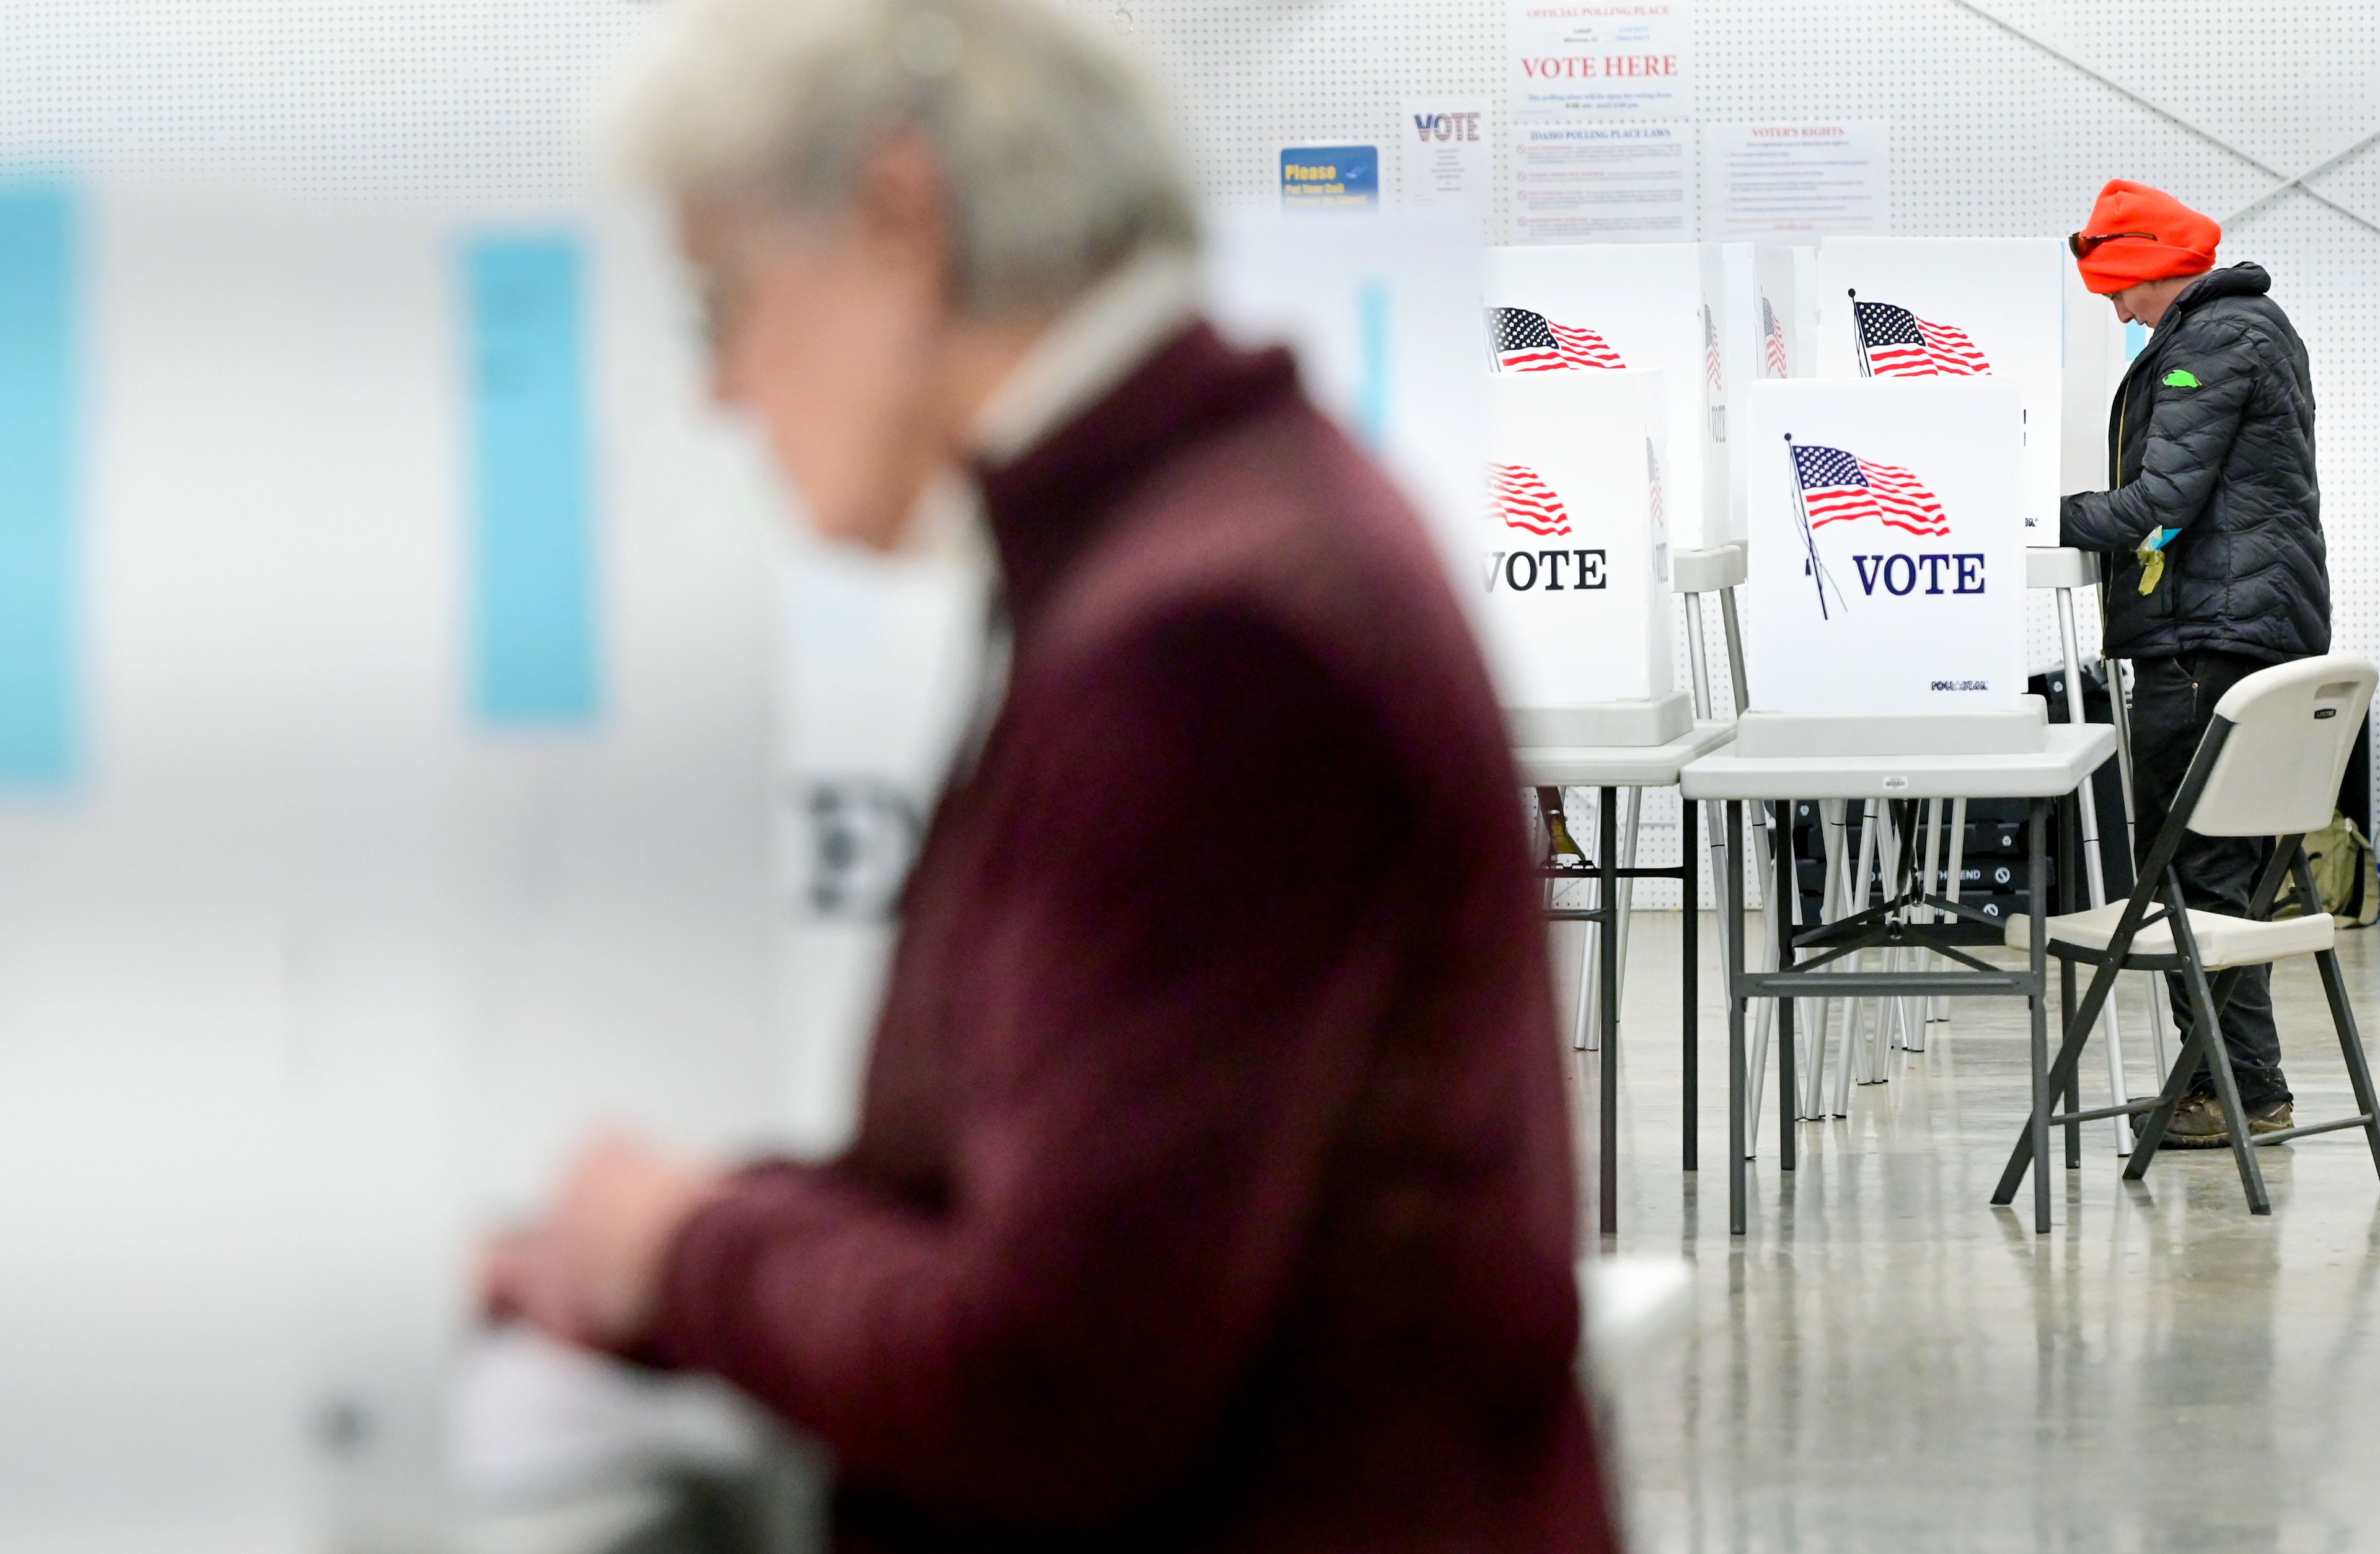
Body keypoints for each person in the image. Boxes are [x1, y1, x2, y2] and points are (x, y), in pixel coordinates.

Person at [482, 1, 1616, 1548]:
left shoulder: (1209, 643)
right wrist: (664, 1255)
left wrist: (689, 1248)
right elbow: (1019, 1190)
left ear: (901, 216)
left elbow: (1050, 1381)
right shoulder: (1204, 543)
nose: (721, 392)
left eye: (720, 304)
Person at [2061, 179, 2328, 1147]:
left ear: (2150, 268)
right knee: (2222, 869)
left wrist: (2030, 518)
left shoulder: (2215, 339)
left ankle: (2234, 1095)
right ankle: (2239, 1085)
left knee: (2189, 873)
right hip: (2242, 628)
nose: (2119, 309)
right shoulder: (2249, 328)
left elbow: (2161, 499)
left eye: (2121, 289)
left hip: (2203, 639)